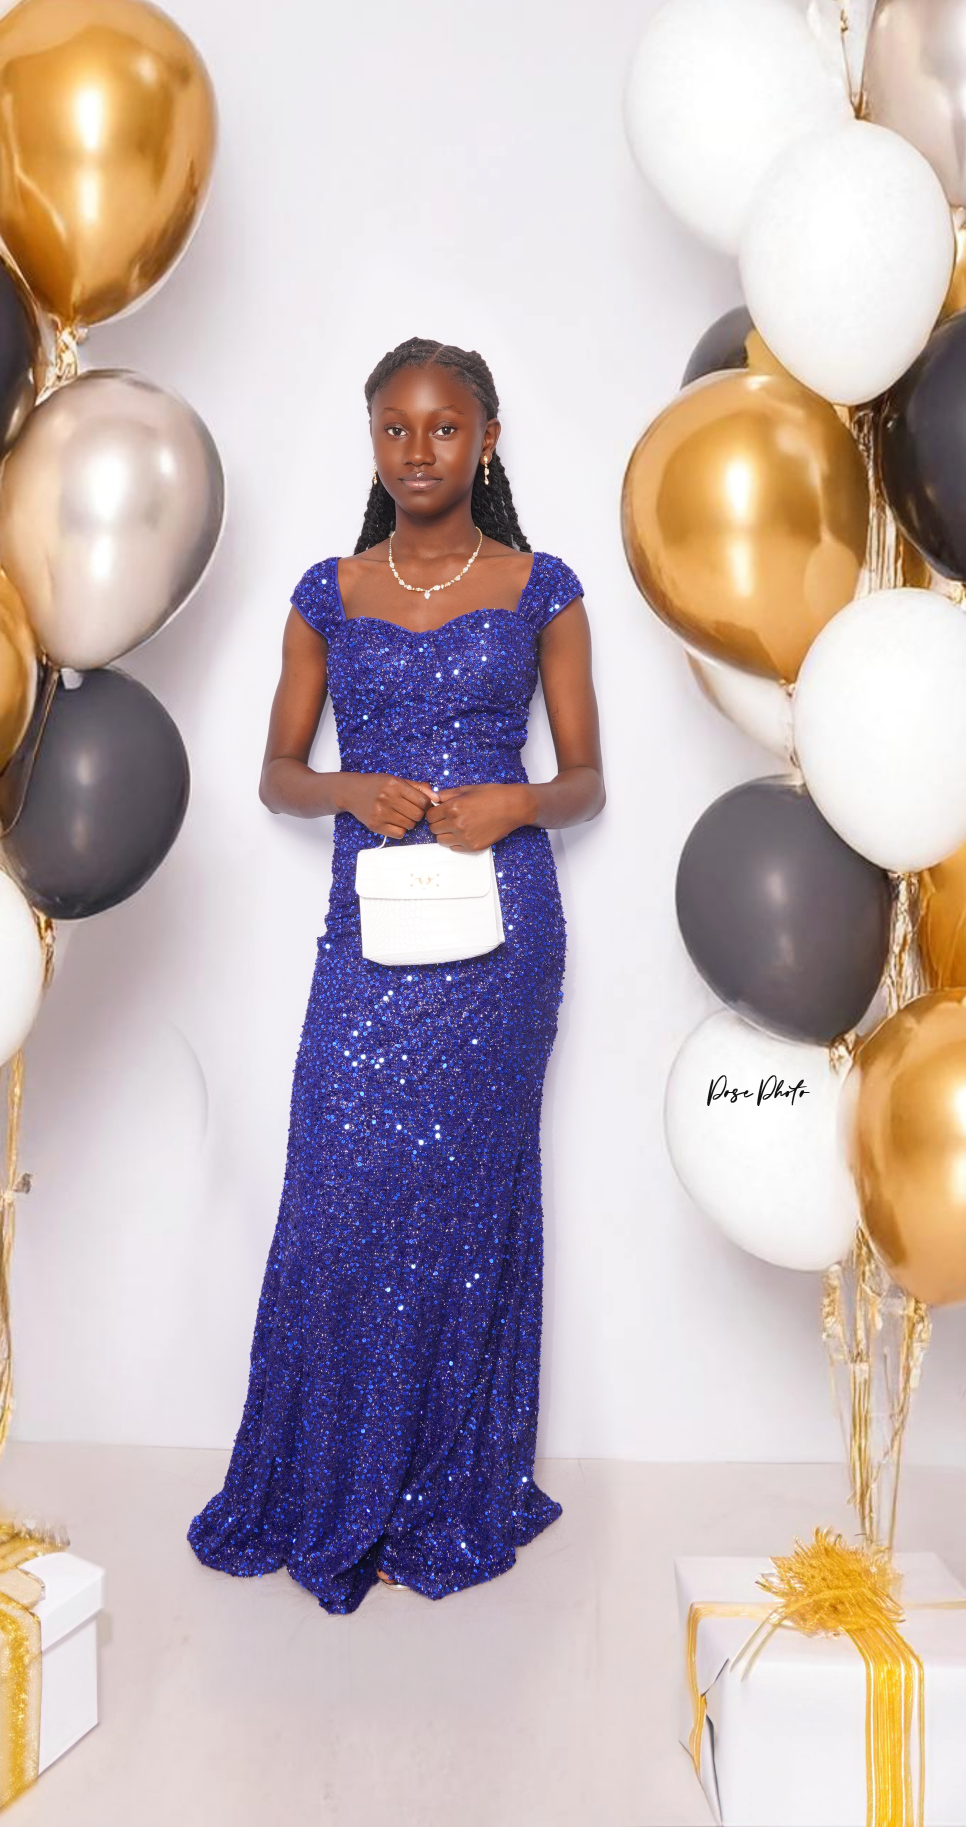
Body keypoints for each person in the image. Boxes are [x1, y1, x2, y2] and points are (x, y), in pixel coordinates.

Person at [188, 336, 604, 1612]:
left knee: (467, 1207)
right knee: (339, 1187)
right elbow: (274, 773)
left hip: (500, 935)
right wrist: (345, 787)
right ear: (372, 441)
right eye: (395, 428)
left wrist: (518, 800)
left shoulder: (543, 588)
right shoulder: (328, 591)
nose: (418, 451)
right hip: (369, 930)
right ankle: (329, 1477)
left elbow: (588, 781)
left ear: (486, 439)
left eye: (444, 427)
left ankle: (444, 1483)